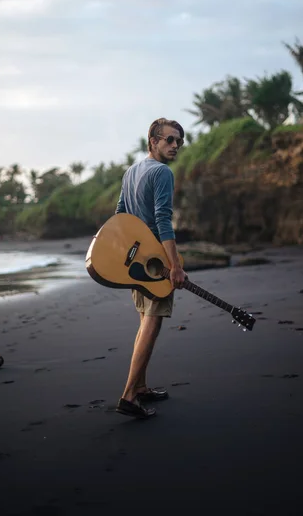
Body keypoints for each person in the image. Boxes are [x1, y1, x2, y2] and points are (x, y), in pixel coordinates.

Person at [114, 118, 188, 419]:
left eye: (179, 141)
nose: (175, 146)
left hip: (135, 262)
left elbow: (120, 215)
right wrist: (175, 266)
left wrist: (126, 254)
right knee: (152, 321)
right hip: (154, 262)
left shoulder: (131, 171)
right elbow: (162, 220)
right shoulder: (161, 173)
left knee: (146, 318)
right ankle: (129, 395)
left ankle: (141, 386)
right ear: (153, 141)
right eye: (169, 140)